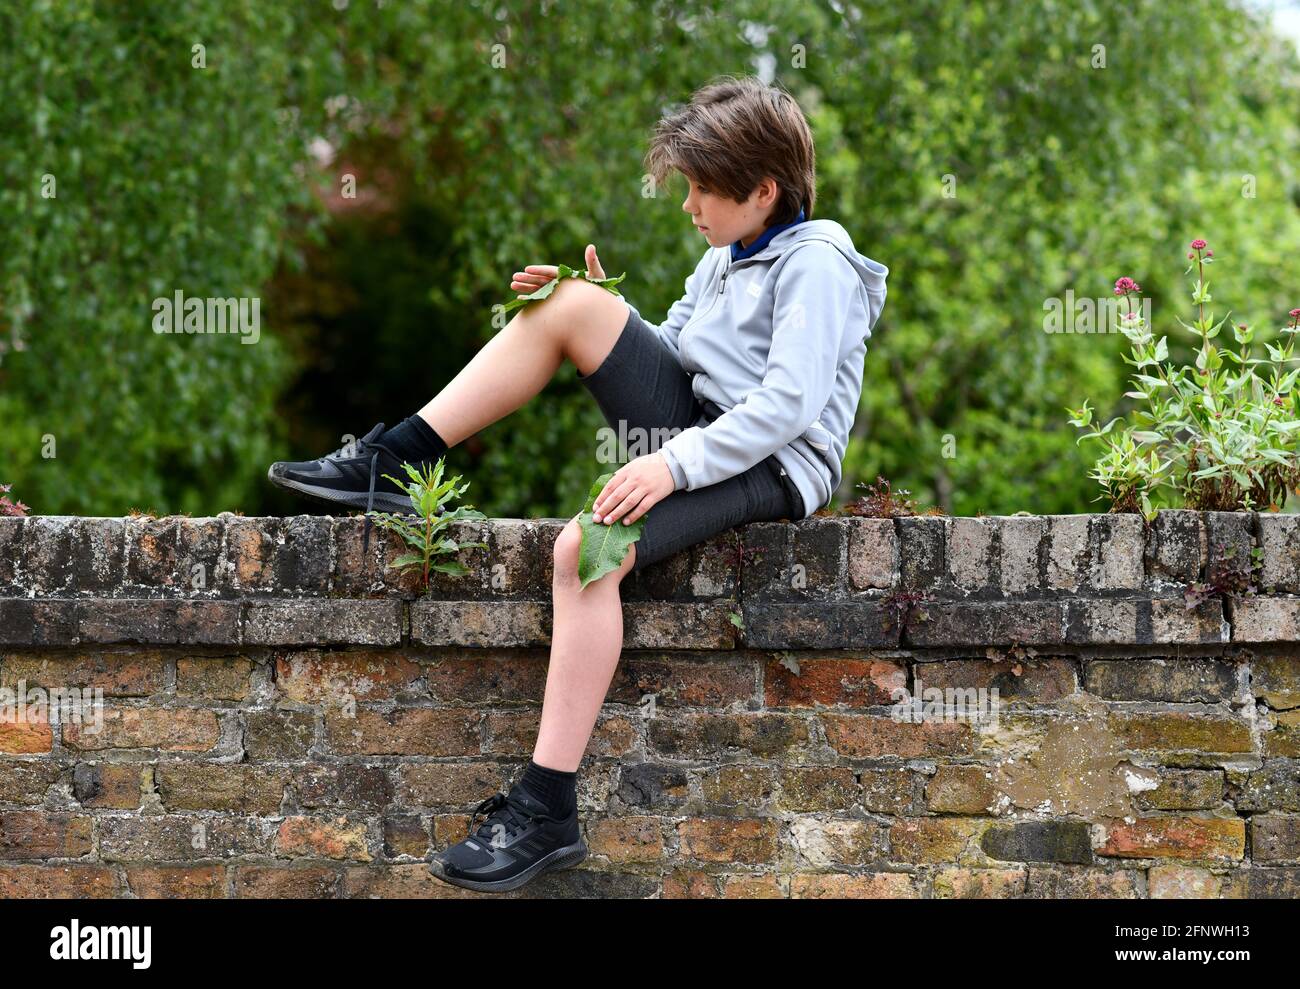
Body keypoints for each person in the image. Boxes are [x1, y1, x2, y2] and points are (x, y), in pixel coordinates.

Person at [267, 74, 889, 893]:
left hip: (770, 463)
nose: (689, 206)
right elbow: (682, 345)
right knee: (566, 301)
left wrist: (670, 466)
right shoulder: (726, 254)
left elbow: (788, 403)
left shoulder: (817, 261)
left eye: (703, 190)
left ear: (764, 189)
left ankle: (546, 808)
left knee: (585, 549)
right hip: (701, 426)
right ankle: (396, 458)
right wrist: (607, 308)